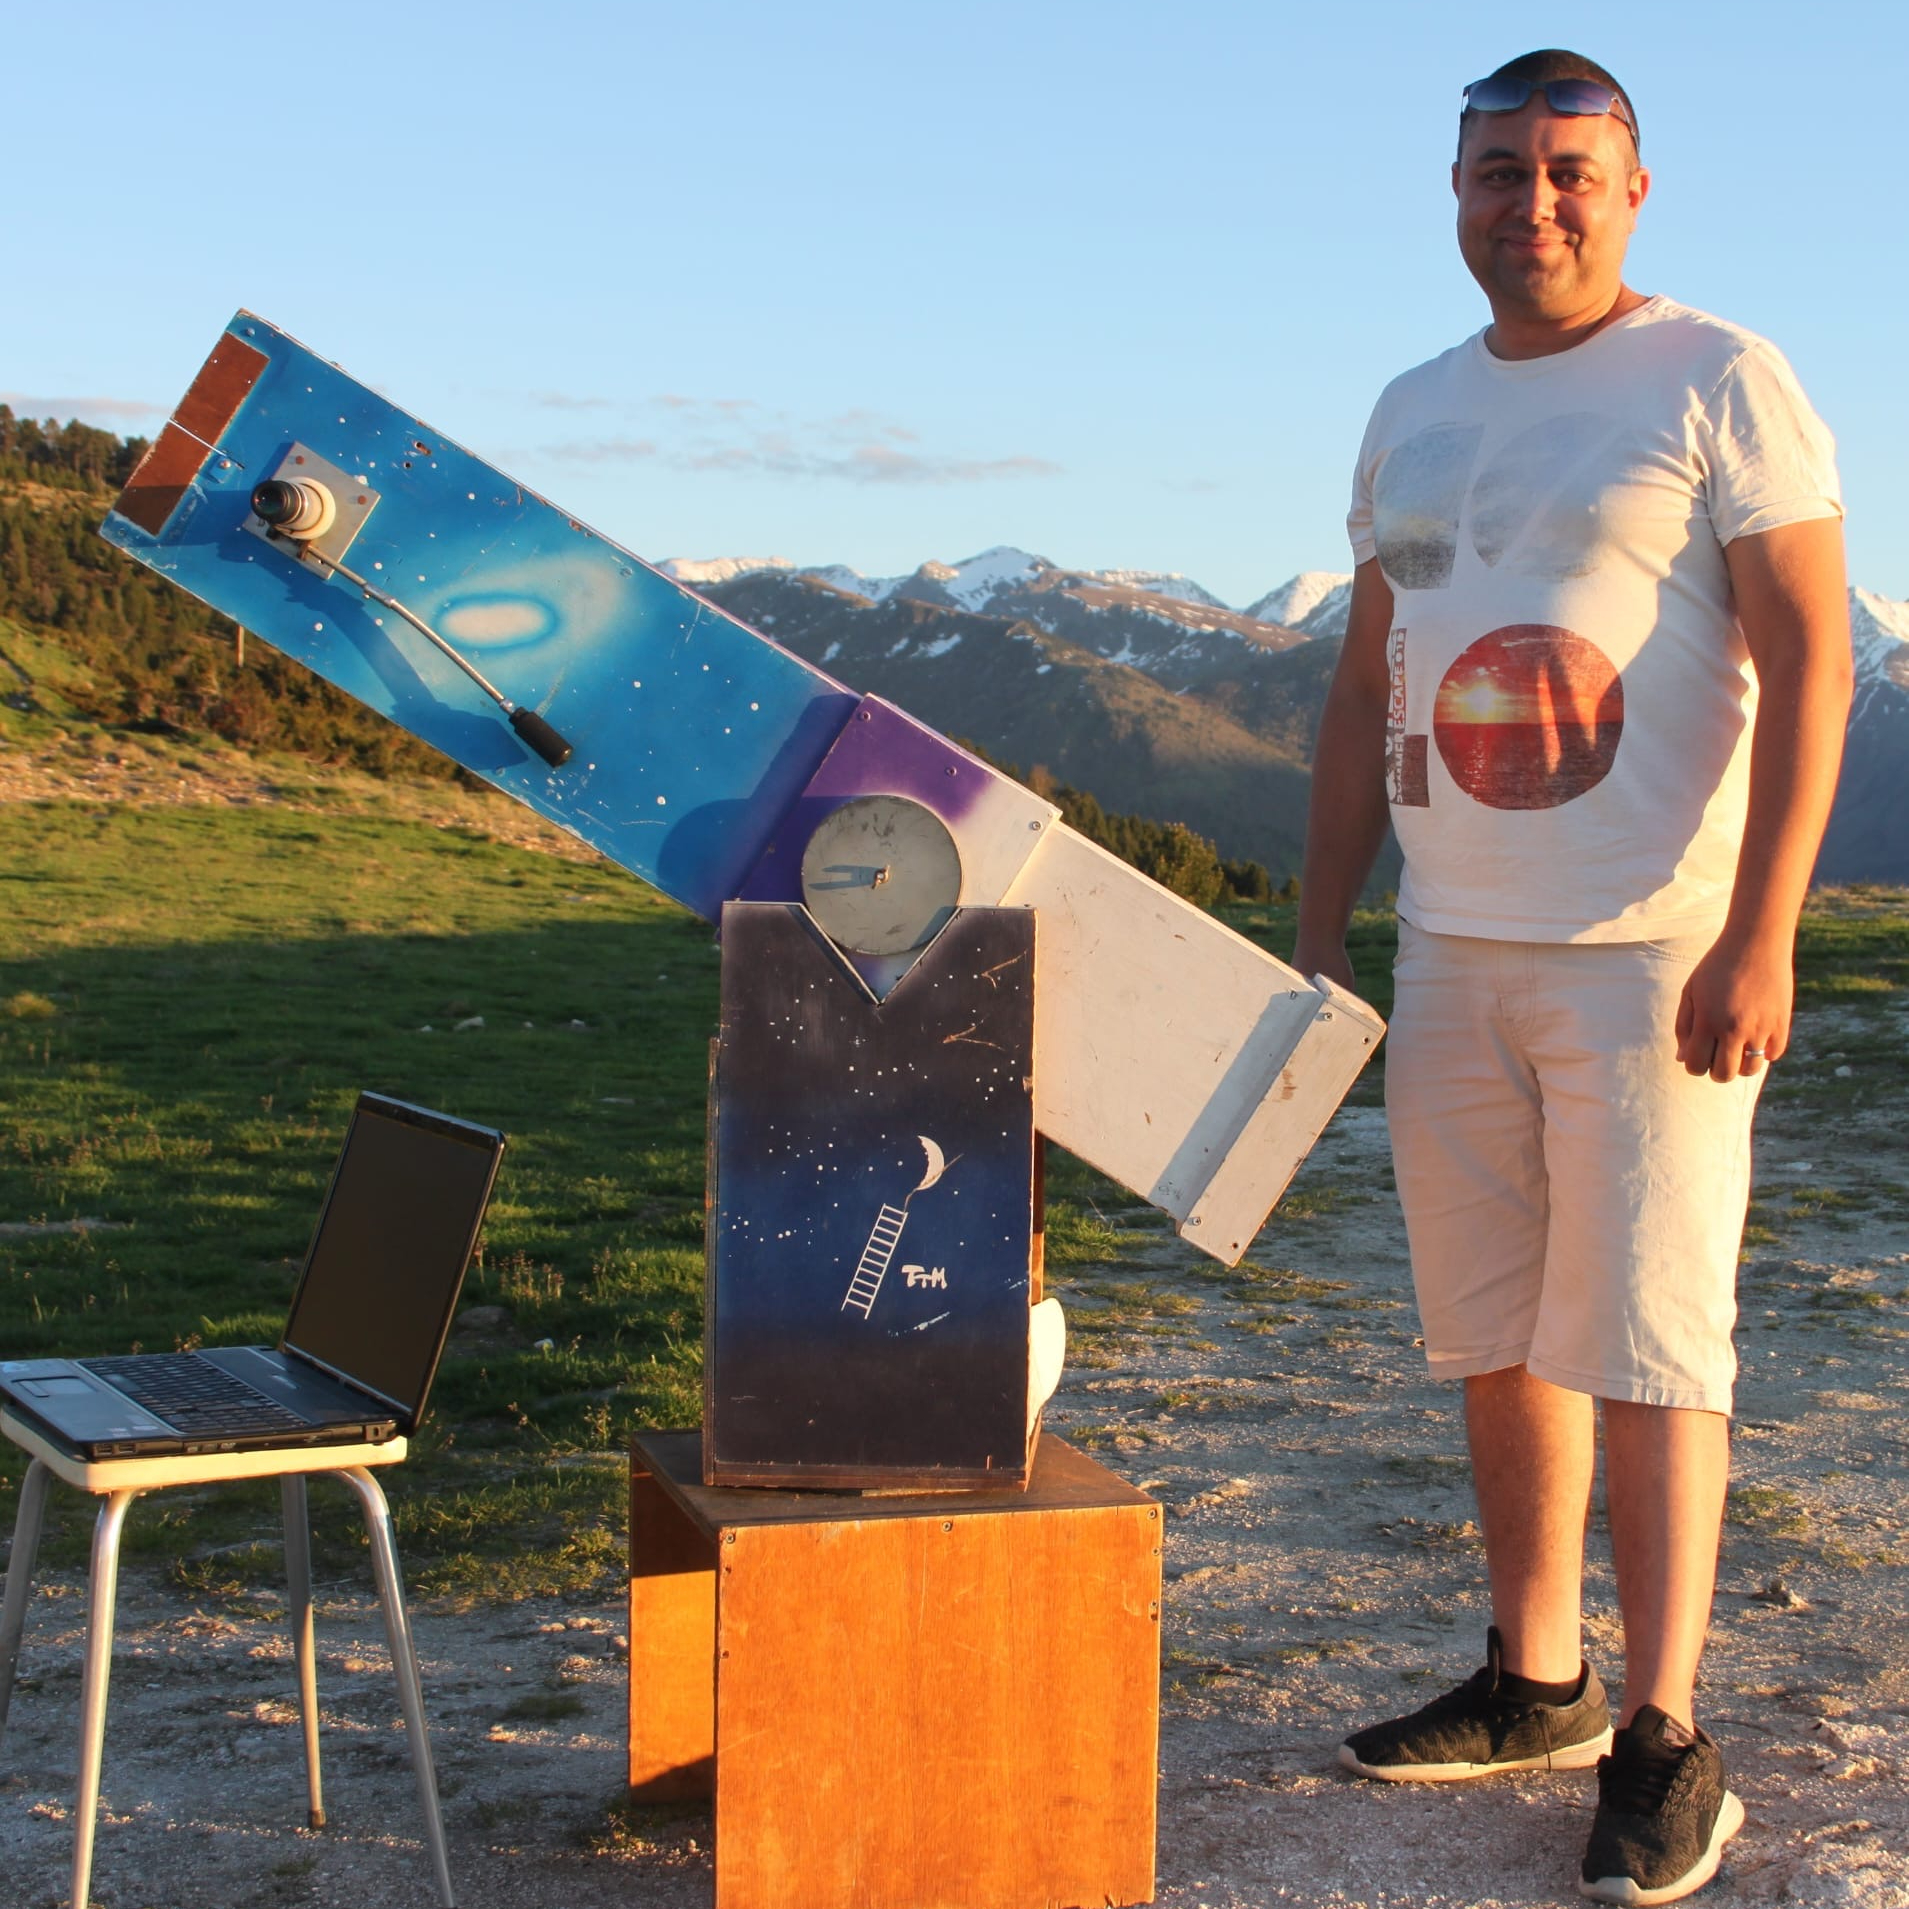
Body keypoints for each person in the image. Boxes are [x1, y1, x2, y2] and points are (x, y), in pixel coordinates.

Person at [1290, 47, 1852, 1906]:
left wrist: (1760, 931)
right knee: (1495, 1328)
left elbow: (1812, 662)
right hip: (1455, 939)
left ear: (1629, 190)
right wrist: (1321, 926)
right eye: (1494, 170)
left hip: (1652, 950)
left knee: (1653, 1339)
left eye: (1563, 171)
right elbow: (1365, 683)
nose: (1527, 202)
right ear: (1451, 189)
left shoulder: (1716, 377)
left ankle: (1667, 1735)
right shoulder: (1408, 406)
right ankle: (1537, 1675)